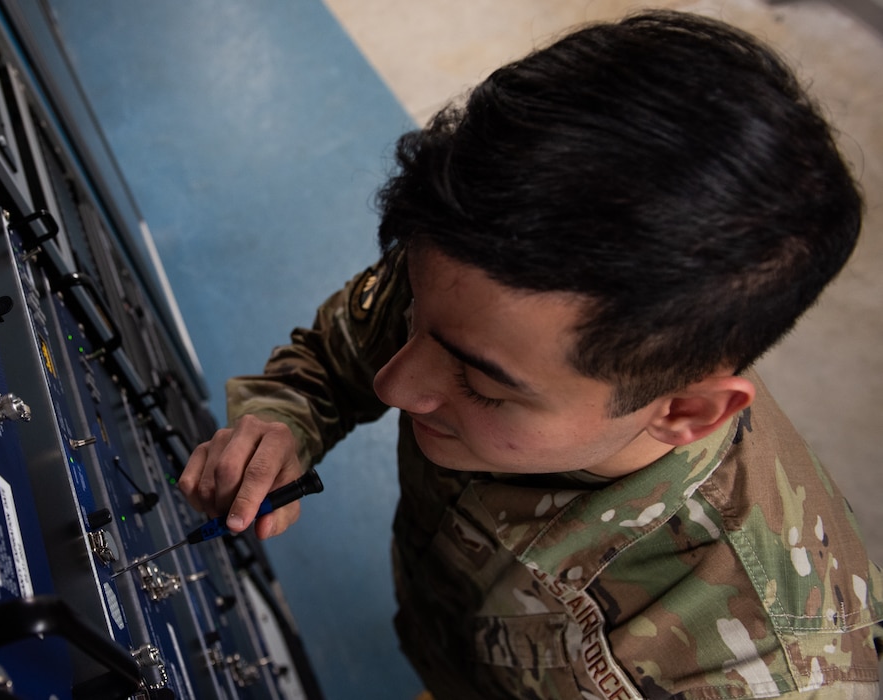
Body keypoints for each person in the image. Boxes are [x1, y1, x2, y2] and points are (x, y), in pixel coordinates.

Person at [177, 9, 883, 699]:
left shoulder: (762, 668)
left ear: (685, 411)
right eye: (414, 310)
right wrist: (287, 423)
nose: (395, 383)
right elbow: (333, 362)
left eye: (481, 385)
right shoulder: (479, 289)